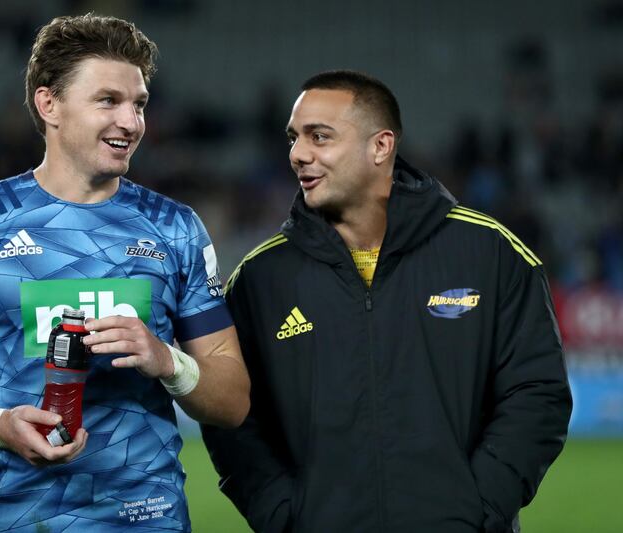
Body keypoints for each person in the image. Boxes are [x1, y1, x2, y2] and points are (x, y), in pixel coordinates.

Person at [0, 13, 249, 532]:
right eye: (109, 101)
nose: (131, 121)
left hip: (149, 519)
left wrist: (167, 360)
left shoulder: (176, 228)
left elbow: (233, 400)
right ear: (48, 103)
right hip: (20, 518)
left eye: (139, 104)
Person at [201, 70, 572, 533]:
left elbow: (537, 393)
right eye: (294, 138)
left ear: (381, 146)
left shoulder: (491, 253)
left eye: (320, 137)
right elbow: (232, 417)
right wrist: (281, 513)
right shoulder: (259, 278)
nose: (298, 154)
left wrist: (480, 507)